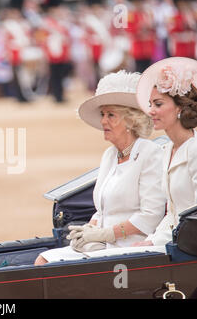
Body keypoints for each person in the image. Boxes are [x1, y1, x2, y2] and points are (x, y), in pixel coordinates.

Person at [34, 70, 166, 265]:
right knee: (43, 261)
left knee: (52, 267)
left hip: (134, 246)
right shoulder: (110, 155)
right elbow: (103, 210)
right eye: (103, 114)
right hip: (102, 245)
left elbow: (150, 216)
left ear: (131, 120)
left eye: (111, 115)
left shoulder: (150, 153)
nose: (103, 121)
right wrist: (89, 228)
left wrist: (106, 234)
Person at [134, 56, 197, 247]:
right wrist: (150, 242)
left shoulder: (194, 149)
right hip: (173, 243)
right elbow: (172, 214)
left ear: (179, 107)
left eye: (158, 104)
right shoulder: (167, 149)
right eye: (150, 104)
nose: (150, 110)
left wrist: (155, 244)